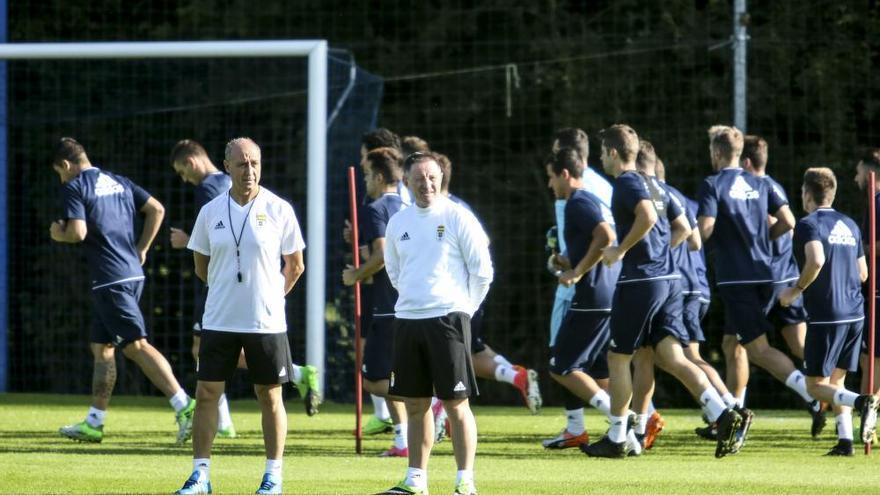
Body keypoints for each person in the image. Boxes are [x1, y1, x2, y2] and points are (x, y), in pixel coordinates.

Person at [582, 125, 746, 459]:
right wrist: (661, 254)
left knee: (618, 357)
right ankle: (722, 412)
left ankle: (616, 438)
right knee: (670, 356)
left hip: (640, 282)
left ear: (614, 153)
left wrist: (622, 250)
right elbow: (686, 228)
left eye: (602, 152)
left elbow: (643, 216)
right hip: (671, 280)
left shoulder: (626, 183)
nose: (600, 158)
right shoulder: (658, 185)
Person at [175, 138, 305, 495]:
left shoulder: (279, 209)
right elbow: (202, 266)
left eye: (255, 163)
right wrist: (226, 290)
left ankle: (273, 476)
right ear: (226, 166)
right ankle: (201, 475)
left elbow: (295, 266)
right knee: (205, 394)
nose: (249, 171)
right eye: (242, 164)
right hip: (219, 319)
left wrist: (270, 297)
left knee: (270, 396)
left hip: (266, 322)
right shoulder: (210, 212)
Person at [50, 137, 196, 445]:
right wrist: (141, 249)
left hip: (109, 280)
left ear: (65, 165)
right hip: (130, 274)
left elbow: (77, 232)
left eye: (59, 173)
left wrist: (58, 234)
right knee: (102, 348)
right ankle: (94, 422)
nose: (61, 179)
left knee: (135, 346)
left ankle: (186, 406)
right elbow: (156, 209)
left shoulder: (75, 187)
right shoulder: (118, 181)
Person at [376, 152, 493, 495]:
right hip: (409, 320)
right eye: (419, 179)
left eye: (432, 177)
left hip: (449, 320)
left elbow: (482, 272)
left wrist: (463, 310)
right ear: (407, 183)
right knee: (415, 405)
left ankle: (465, 482)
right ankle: (415, 480)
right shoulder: (398, 222)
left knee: (457, 404)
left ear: (440, 177)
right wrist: (415, 301)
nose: (426, 184)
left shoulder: (458, 217)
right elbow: (395, 271)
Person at [696, 126, 819, 428]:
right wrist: (762, 238)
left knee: (757, 350)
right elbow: (789, 221)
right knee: (731, 344)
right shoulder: (760, 183)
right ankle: (733, 411)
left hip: (737, 280)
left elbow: (707, 227)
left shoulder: (713, 184)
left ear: (715, 153)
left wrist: (691, 242)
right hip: (766, 274)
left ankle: (812, 394)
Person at [779, 167, 879, 455]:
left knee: (815, 386)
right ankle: (845, 442)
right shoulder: (849, 224)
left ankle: (862, 402)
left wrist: (795, 291)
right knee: (837, 381)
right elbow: (863, 273)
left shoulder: (808, 224)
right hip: (855, 313)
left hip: (827, 314)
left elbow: (816, 260)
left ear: (807, 194)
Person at [435, 151, 542, 415]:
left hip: (456, 299)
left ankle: (441, 418)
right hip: (465, 297)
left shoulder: (451, 212)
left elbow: (482, 245)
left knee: (448, 356)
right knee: (472, 350)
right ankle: (515, 376)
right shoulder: (453, 207)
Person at [542, 147, 625, 451]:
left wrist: (577, 271)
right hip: (607, 293)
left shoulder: (578, 201)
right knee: (600, 371)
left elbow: (605, 236)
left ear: (565, 174)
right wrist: (566, 261)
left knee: (561, 365)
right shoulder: (588, 200)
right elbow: (595, 239)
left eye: (552, 178)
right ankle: (621, 430)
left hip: (593, 295)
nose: (551, 185)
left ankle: (622, 421)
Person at [740, 135, 817, 431]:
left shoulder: (755, 189)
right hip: (787, 275)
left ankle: (732, 411)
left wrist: (760, 240)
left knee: (741, 345)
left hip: (765, 278)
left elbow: (784, 222)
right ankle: (838, 402)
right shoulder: (775, 185)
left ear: (746, 162)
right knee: (802, 346)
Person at [342, 147, 409, 457]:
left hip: (388, 304)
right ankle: (402, 441)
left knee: (373, 380)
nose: (365, 180)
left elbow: (381, 257)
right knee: (392, 374)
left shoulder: (376, 208)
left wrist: (356, 274)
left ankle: (431, 401)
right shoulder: (408, 204)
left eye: (368, 174)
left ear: (380, 177)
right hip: (409, 300)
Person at [854, 147, 880, 400]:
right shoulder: (873, 202)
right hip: (872, 290)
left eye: (858, 172)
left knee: (875, 359)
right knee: (867, 358)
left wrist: (859, 249)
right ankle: (866, 413)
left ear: (870, 172)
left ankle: (868, 411)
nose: (856, 178)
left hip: (878, 292)